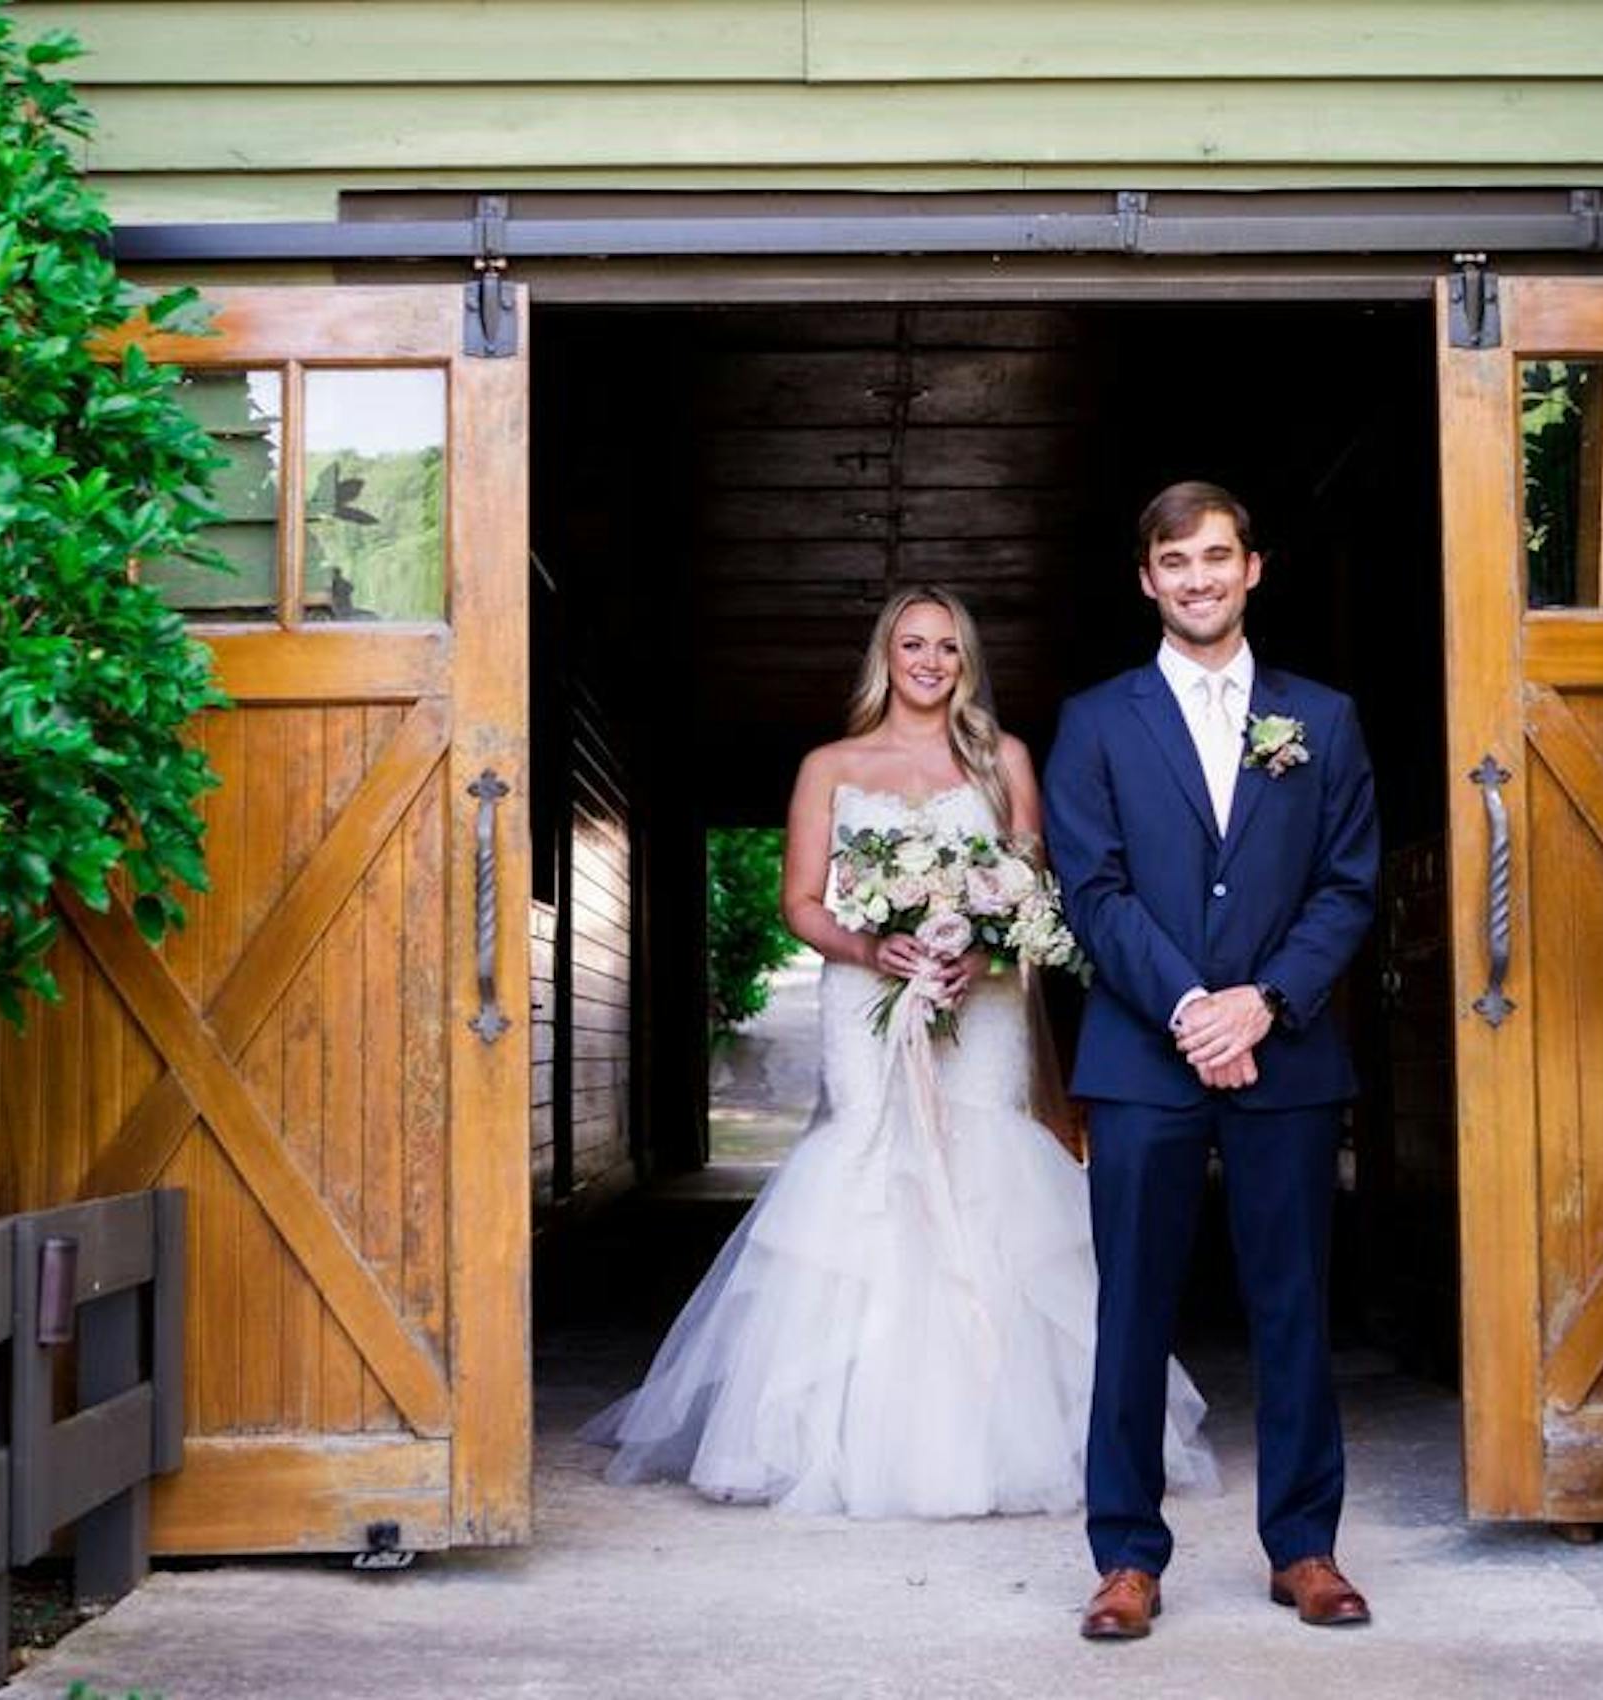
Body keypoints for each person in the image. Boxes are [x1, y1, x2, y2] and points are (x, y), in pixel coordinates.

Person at [582, 588, 1218, 1518]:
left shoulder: (1003, 761)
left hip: (979, 1001)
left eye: (948, 648)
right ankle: (840, 1435)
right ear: (885, 654)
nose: (930, 661)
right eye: (913, 644)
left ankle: (1022, 1433)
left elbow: (1034, 886)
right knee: (870, 1161)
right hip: (867, 995)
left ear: (967, 662)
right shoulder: (830, 766)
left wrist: (981, 950)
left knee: (986, 1163)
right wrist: (874, 949)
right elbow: (801, 902)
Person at [1044, 481, 1380, 1640]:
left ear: (1253, 569)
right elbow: (1090, 889)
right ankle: (1126, 1555)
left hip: (1285, 1061)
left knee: (1292, 1307)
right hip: (1143, 1058)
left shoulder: (1320, 719)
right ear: (1147, 578)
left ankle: (1305, 1546)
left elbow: (1347, 885)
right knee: (1133, 1310)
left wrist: (1264, 1002)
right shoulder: (1095, 719)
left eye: (1216, 557)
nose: (1197, 577)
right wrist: (1193, 1006)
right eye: (1175, 561)